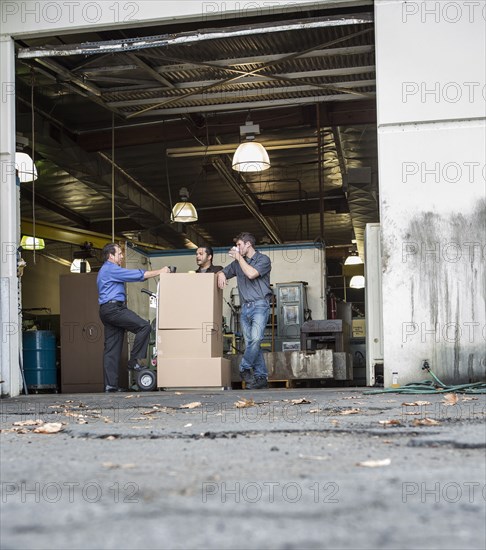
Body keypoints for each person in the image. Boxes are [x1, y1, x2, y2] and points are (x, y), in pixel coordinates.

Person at [97, 242, 171, 392]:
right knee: (144, 326)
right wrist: (160, 271)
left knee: (112, 349)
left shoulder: (105, 270)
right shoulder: (111, 269)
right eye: (119, 253)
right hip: (113, 309)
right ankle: (134, 361)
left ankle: (110, 385)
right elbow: (136, 275)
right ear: (111, 256)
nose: (122, 256)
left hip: (107, 309)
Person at [217, 232, 272, 389]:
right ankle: (261, 377)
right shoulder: (236, 264)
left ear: (248, 244)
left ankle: (244, 368)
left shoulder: (263, 260)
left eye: (239, 245)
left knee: (255, 339)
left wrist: (238, 258)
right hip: (245, 307)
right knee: (252, 344)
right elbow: (223, 272)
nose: (236, 248)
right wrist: (221, 273)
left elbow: (251, 273)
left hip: (260, 305)